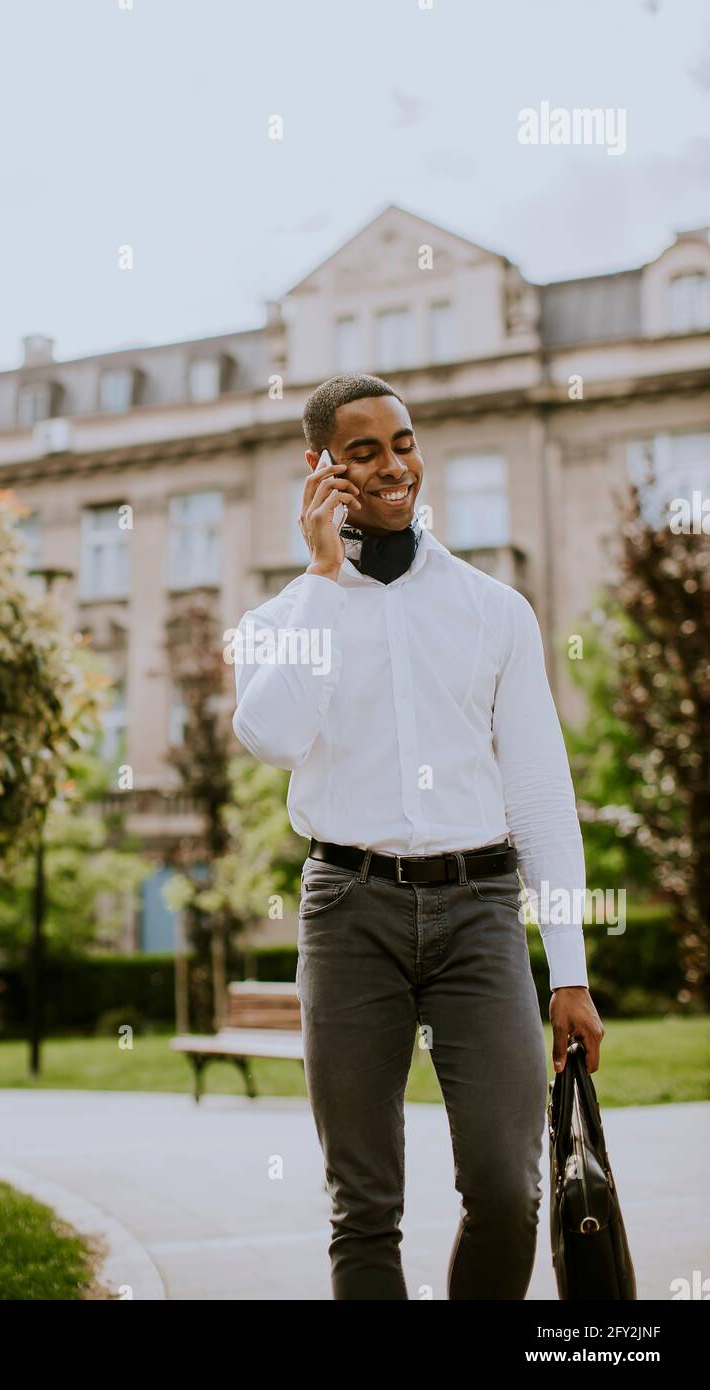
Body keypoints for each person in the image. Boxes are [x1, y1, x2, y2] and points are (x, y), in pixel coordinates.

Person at [230, 373, 604, 1301]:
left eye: (402, 442)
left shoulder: (495, 611)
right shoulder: (280, 619)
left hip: (479, 911)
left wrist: (569, 969)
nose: (393, 465)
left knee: (509, 1192)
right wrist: (321, 576)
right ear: (319, 469)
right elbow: (270, 736)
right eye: (363, 451)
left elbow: (542, 798)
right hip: (348, 910)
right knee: (363, 1208)